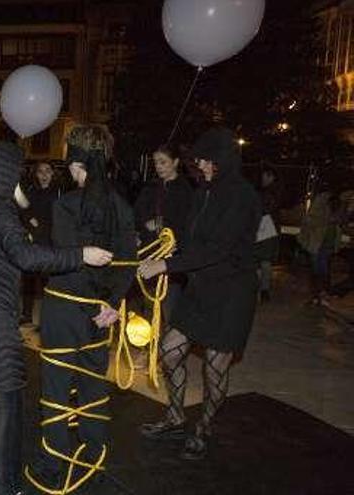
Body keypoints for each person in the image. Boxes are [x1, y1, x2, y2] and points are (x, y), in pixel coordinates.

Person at [0, 140, 113, 495]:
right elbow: (26, 257)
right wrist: (80, 254)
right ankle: (10, 485)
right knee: (9, 399)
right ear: (4, 172)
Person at [137, 127, 261, 461]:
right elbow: (189, 239)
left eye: (208, 161)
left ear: (223, 160)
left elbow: (220, 248)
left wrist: (167, 266)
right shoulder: (204, 191)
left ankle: (204, 427)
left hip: (232, 292)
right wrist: (157, 247)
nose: (202, 167)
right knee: (169, 351)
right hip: (202, 287)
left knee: (214, 366)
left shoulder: (242, 195)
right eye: (200, 161)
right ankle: (176, 415)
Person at [25, 128, 136, 495]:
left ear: (76, 161)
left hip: (64, 310)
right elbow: (126, 262)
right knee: (92, 388)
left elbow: (66, 260)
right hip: (100, 314)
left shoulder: (65, 205)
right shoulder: (121, 205)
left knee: (56, 391)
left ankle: (55, 465)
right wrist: (112, 302)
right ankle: (92, 460)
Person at [134, 144, 193, 323]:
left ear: (175, 162)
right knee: (149, 302)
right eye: (156, 163)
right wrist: (138, 231)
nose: (158, 166)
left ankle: (170, 347)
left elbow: (187, 222)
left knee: (170, 306)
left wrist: (161, 224)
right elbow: (137, 214)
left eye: (163, 162)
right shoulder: (150, 188)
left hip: (171, 257)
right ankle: (151, 343)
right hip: (148, 251)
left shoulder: (185, 190)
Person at [20, 162, 61, 324]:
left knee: (47, 284)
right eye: (40, 171)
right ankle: (26, 314)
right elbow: (23, 209)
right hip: (32, 243)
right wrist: (29, 219)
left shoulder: (58, 193)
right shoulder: (31, 191)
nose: (44, 174)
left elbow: (61, 217)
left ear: (53, 174)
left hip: (49, 244)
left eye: (47, 171)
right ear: (36, 174)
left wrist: (44, 225)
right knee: (28, 281)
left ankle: (47, 320)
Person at [297, 180, 343, 306]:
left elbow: (311, 220)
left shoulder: (328, 200)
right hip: (322, 240)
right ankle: (321, 295)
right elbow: (311, 220)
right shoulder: (327, 201)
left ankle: (320, 295)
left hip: (322, 240)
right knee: (321, 268)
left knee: (320, 268)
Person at [254, 167, 282, 302]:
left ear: (271, 177)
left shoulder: (267, 193)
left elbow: (264, 209)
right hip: (271, 227)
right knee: (265, 260)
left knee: (260, 259)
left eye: (265, 176)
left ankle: (262, 288)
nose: (262, 179)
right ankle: (264, 289)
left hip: (264, 227)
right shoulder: (276, 192)